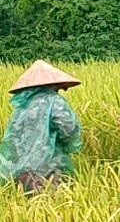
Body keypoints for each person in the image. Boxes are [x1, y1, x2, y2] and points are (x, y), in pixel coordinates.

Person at [2, 60, 81, 194]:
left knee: (27, 207)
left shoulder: (21, 106)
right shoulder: (55, 102)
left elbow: (13, 139)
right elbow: (69, 129)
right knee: (52, 203)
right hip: (48, 166)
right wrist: (68, 145)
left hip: (22, 169)